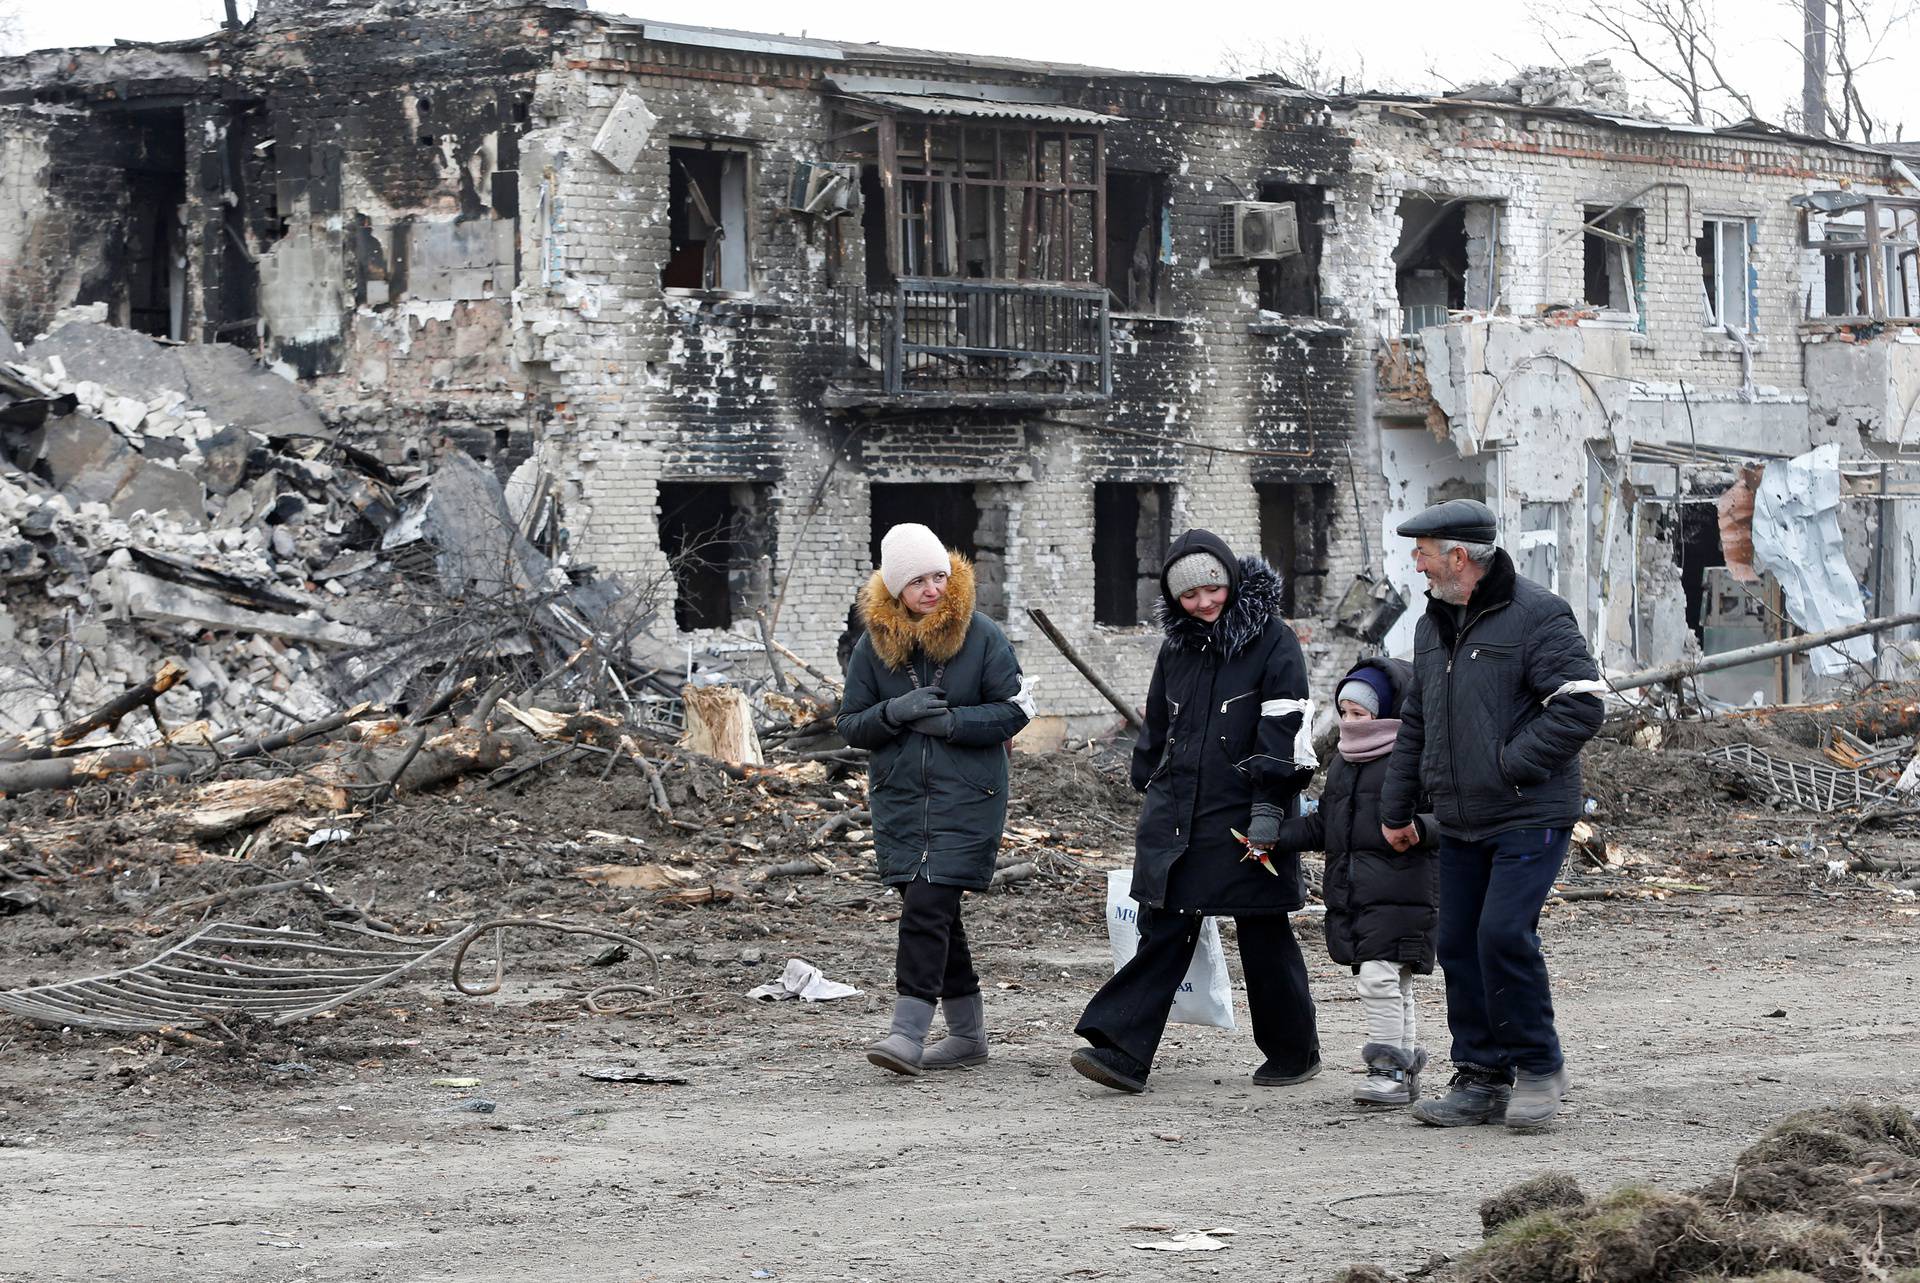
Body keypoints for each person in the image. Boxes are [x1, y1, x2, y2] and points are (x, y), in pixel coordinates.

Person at [1378, 498, 1605, 1129]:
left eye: (1423, 554)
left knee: (1502, 935)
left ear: (1457, 556)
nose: (1416, 566)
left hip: (1529, 811)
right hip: (1460, 818)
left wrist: (1507, 765)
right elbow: (1417, 721)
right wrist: (1396, 806)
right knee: (1457, 944)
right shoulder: (1432, 625)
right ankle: (1480, 1077)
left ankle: (1537, 1068)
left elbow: (1583, 707)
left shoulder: (1537, 615)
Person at [1072, 529, 1320, 1094]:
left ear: (1231, 581)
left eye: (1212, 588)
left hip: (1248, 810)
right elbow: (1159, 722)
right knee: (1167, 924)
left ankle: (1293, 1051)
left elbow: (1284, 728)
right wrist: (1148, 775)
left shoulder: (1274, 640)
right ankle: (1121, 1051)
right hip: (1180, 809)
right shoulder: (1177, 646)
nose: (1204, 602)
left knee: (1262, 929)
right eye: (1190, 595)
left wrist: (1267, 808)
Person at [837, 523, 1030, 1076]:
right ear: (895, 587)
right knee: (937, 914)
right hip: (899, 801)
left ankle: (906, 1033)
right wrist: (892, 714)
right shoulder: (872, 647)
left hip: (968, 797)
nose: (932, 589)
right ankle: (968, 1037)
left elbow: (1015, 710)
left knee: (926, 910)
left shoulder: (983, 635)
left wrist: (953, 723)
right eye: (917, 580)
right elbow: (850, 723)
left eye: (939, 576)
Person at [1272, 658, 1439, 1107]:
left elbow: (1449, 816)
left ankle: (1385, 1070)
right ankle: (1401, 1072)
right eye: (1343, 713)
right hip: (1357, 894)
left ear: (1387, 713)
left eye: (1359, 714)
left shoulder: (1415, 759)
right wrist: (1276, 836)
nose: (1349, 722)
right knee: (1393, 981)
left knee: (1378, 979)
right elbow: (1326, 825)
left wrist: (1421, 828)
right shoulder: (1346, 763)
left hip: (1403, 891)